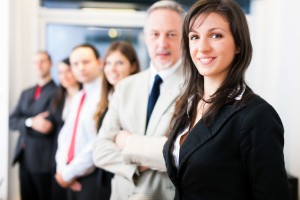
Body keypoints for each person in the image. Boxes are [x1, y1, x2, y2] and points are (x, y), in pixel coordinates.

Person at [162, 0, 292, 199]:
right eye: (194, 37)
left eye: (216, 35)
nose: (202, 47)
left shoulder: (256, 115)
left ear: (238, 44)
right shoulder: (188, 105)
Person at [92, 1, 185, 199]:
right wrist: (144, 158)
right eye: (155, 34)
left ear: (184, 38)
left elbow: (181, 156)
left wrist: (127, 142)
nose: (162, 43)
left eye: (171, 34)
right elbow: (100, 150)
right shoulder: (126, 86)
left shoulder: (195, 88)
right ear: (145, 38)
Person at [54, 44, 103, 200]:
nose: (81, 67)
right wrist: (62, 169)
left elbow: (98, 142)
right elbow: (65, 136)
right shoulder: (79, 96)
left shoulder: (107, 96)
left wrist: (68, 174)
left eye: (86, 62)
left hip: (94, 177)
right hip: (70, 174)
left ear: (99, 63)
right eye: (75, 64)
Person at [92, 41, 140, 199]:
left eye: (119, 63)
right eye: (108, 63)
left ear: (133, 66)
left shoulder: (138, 100)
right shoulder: (106, 98)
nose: (112, 69)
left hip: (125, 174)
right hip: (102, 174)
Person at [9, 50, 58, 200]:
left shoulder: (57, 92)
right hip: (23, 157)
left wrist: (25, 122)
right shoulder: (26, 92)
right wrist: (30, 122)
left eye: (42, 61)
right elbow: (12, 121)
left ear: (50, 64)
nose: (38, 65)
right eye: (35, 62)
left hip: (43, 159)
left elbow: (48, 126)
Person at [49, 57, 81, 200]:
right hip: (60, 158)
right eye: (60, 72)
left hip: (79, 159)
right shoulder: (58, 97)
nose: (64, 76)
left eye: (68, 71)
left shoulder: (87, 95)